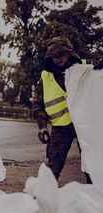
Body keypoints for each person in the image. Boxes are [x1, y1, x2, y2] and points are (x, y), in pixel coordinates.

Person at [32, 36, 103, 184]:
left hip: (84, 125)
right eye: (54, 56)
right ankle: (45, 197)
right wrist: (42, 127)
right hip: (61, 127)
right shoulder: (46, 77)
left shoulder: (86, 68)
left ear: (69, 54)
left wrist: (100, 64)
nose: (58, 59)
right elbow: (38, 104)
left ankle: (95, 195)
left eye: (61, 55)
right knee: (54, 165)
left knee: (91, 161)